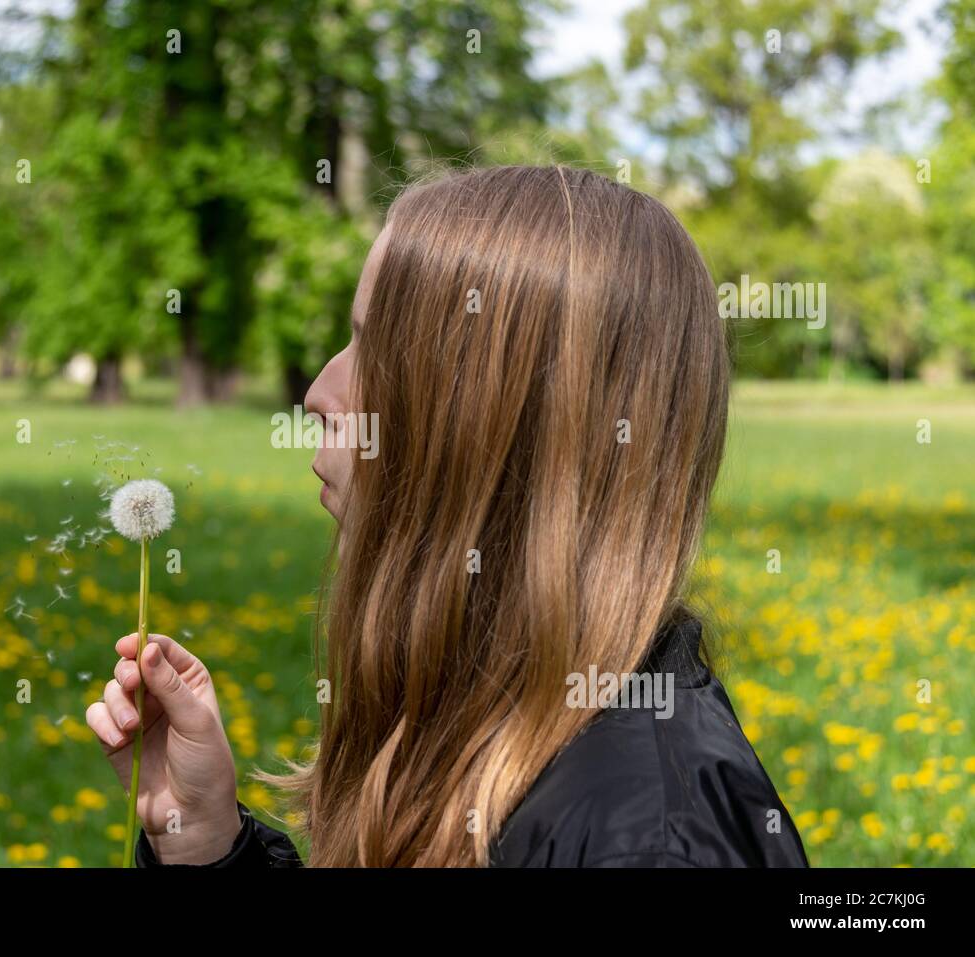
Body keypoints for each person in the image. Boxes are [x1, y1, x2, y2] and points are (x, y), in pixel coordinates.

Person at [85, 165, 808, 868]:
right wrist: (208, 843)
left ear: (493, 423)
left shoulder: (645, 840)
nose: (317, 392)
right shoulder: (496, 717)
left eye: (373, 348)